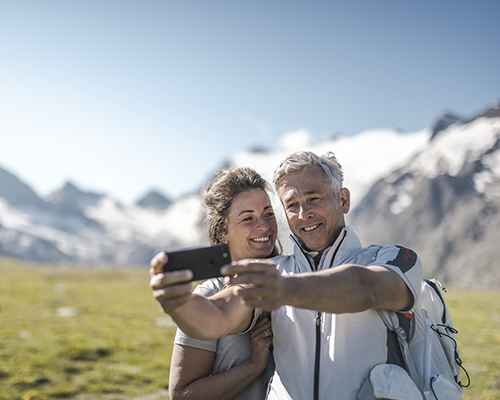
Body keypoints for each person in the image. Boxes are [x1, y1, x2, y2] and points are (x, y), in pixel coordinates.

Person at [150, 151, 423, 400]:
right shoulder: (274, 270)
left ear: (343, 200)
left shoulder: (393, 259)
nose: (304, 214)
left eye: (314, 198)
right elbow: (219, 314)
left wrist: (285, 289)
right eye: (292, 205)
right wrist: (181, 305)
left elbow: (366, 288)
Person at [166, 166, 279, 400]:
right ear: (221, 232)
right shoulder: (208, 296)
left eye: (268, 214)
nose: (264, 226)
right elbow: (182, 394)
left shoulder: (294, 277)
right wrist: (253, 365)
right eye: (247, 218)